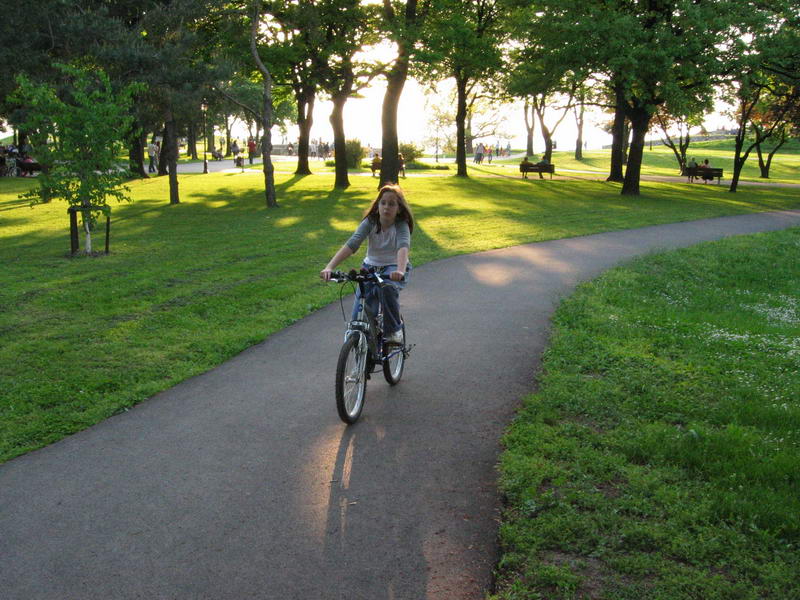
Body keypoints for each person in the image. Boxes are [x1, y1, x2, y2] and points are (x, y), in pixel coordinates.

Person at [320, 184, 414, 345]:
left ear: (399, 209)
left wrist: (400, 270)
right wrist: (330, 267)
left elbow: (403, 247)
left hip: (393, 267)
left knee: (387, 289)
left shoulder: (401, 225)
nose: (386, 207)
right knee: (360, 315)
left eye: (392, 204)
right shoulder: (370, 222)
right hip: (370, 267)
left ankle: (393, 331)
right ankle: (363, 348)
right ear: (377, 205)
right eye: (383, 203)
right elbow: (352, 244)